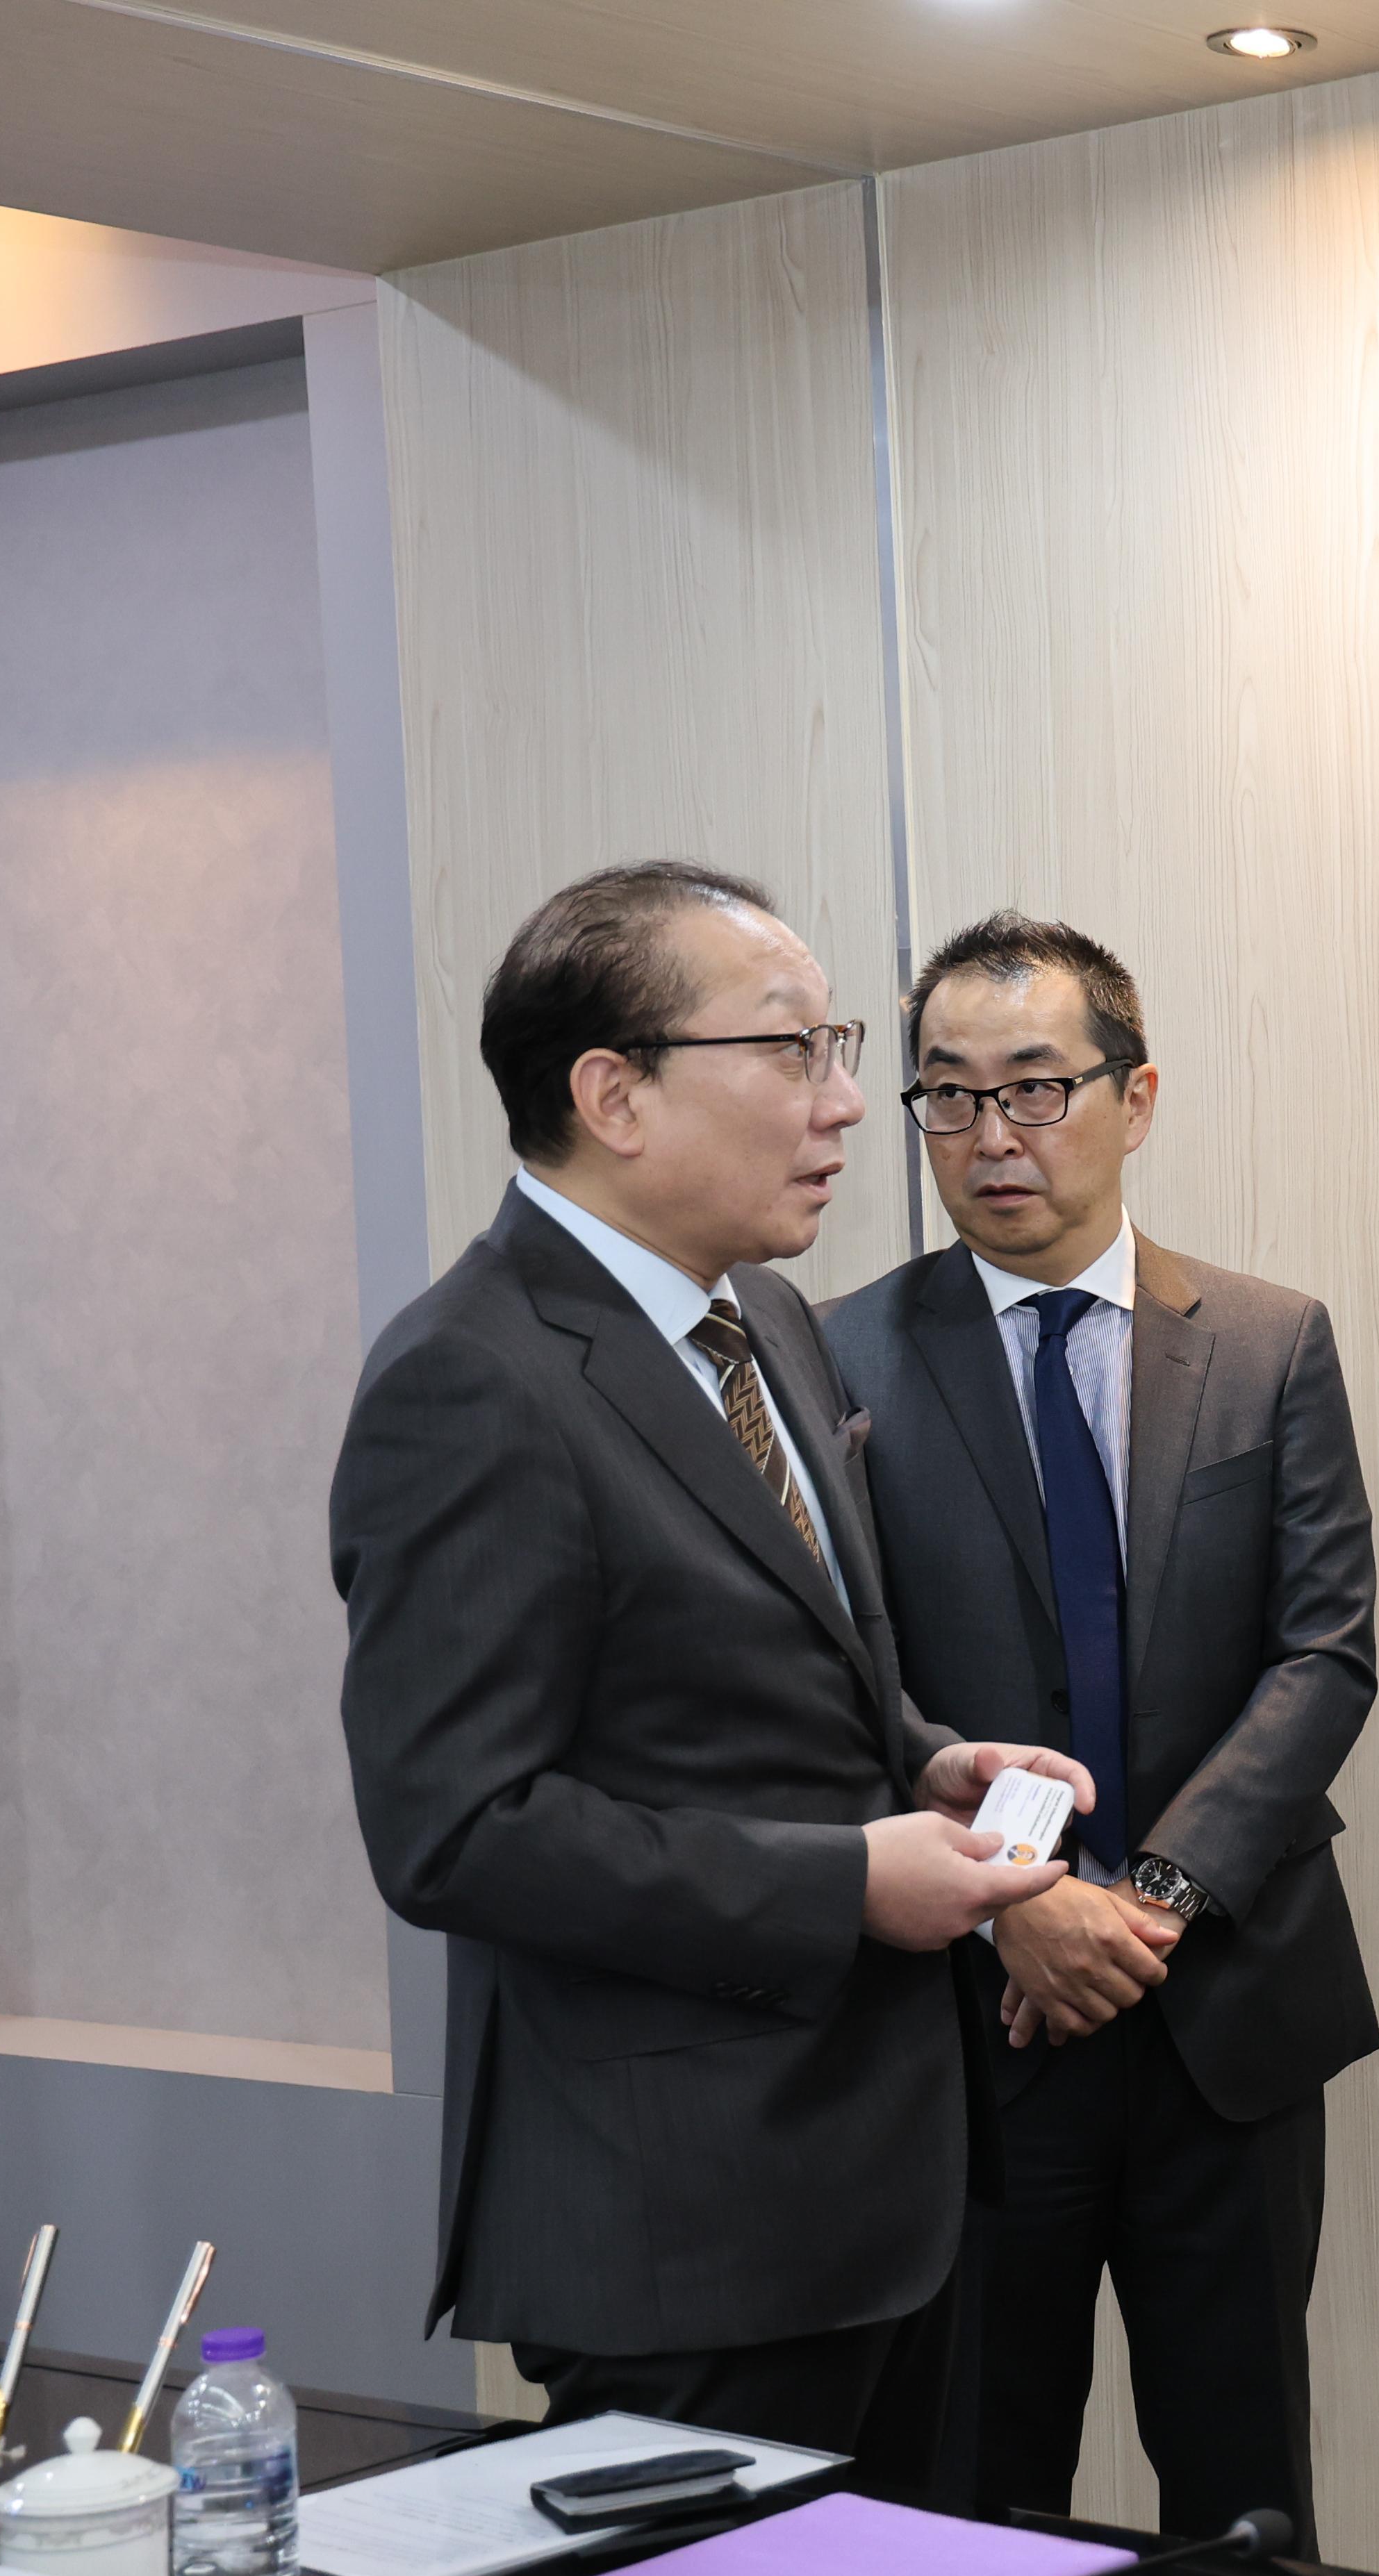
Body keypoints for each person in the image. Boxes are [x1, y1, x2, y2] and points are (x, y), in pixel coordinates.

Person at [331, 859, 1077, 2470]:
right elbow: (458, 1827)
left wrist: (929, 1756)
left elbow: (770, 1667)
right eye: (793, 1049)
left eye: (836, 1047)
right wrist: (848, 1880)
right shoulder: (472, 1380)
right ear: (615, 1094)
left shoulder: (765, 1320)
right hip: (683, 2223)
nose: (847, 1102)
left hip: (893, 2183)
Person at [822, 913, 1378, 2549]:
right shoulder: (836, 1352)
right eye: (948, 1095)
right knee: (976, 2504)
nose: (991, 1135)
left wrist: (1153, 1898)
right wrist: (1025, 1903)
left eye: (1035, 1087)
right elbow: (842, 1679)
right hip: (973, 2032)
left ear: (1135, 1097)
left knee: (1247, 2501)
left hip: (1226, 2014)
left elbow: (1325, 1653)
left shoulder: (1270, 1341)